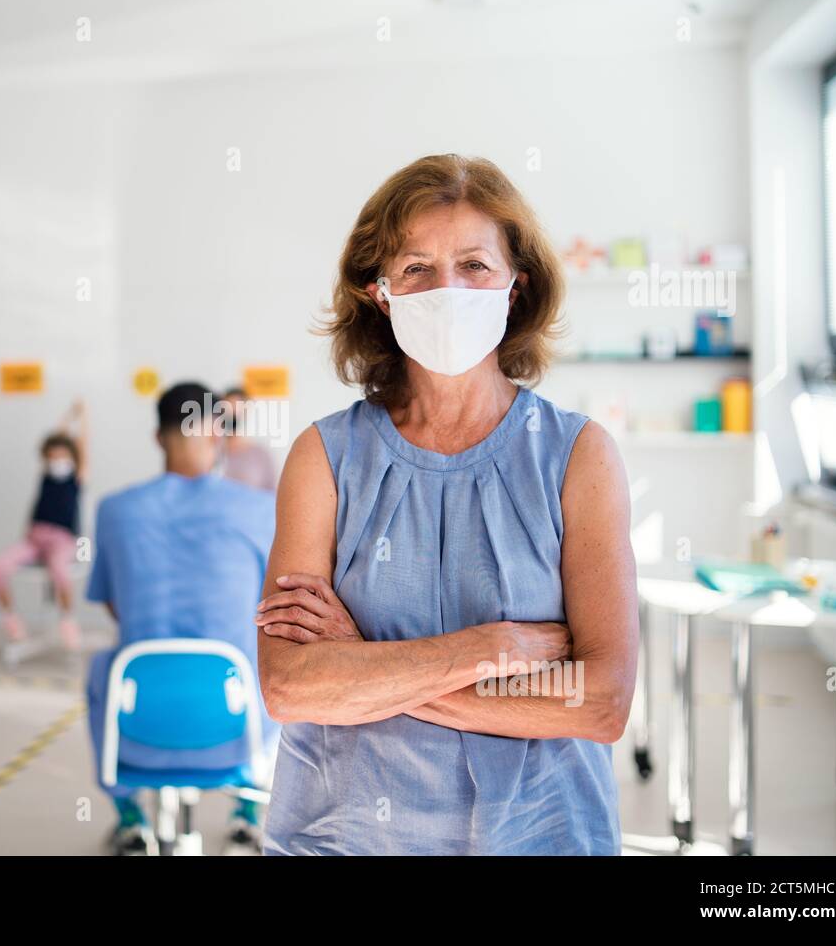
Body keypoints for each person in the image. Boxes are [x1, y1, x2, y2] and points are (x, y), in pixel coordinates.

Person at [256, 154, 638, 855]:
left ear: (516, 288)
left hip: (542, 834)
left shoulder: (579, 456)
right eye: (417, 269)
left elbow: (604, 701)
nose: (447, 289)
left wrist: (365, 665)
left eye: (474, 265)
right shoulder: (323, 459)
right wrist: (489, 649)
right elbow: (289, 687)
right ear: (381, 291)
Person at [85, 382, 277, 855]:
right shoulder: (259, 510)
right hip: (237, 730)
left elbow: (114, 605)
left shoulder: (115, 511)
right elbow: (269, 605)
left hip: (136, 730)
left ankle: (130, 814)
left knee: (100, 668)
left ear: (157, 437)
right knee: (273, 659)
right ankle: (249, 807)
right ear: (218, 434)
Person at [0, 400, 87, 655]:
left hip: (63, 540)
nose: (57, 460)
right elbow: (55, 438)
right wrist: (67, 416)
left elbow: (82, 445)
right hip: (34, 539)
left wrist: (82, 416)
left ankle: (67, 620)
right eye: (52, 456)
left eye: (62, 456)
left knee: (59, 570)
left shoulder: (76, 478)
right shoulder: (45, 475)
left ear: (72, 457)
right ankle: (13, 622)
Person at [216, 387, 277, 492]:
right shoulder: (210, 452)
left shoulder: (260, 455)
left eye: (236, 410)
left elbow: (271, 496)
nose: (231, 415)